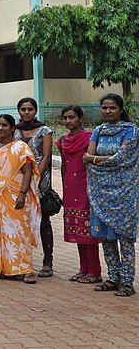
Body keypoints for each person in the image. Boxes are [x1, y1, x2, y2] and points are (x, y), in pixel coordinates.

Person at [83, 94, 139, 297]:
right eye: (104, 108)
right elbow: (86, 158)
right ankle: (113, 278)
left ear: (120, 109)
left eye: (112, 108)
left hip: (125, 193)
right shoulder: (99, 130)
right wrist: (98, 159)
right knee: (106, 239)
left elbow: (122, 159)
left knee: (125, 239)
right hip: (100, 192)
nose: (108, 111)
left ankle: (127, 282)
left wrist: (95, 159)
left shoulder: (131, 131)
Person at [0, 114, 40, 284]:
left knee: (18, 230)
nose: (1, 128)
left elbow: (28, 172)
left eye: (5, 125)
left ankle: (23, 269)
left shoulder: (20, 147)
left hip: (14, 195)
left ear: (13, 128)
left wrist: (22, 193)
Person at [57, 105, 100, 284]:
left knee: (88, 230)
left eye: (72, 117)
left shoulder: (89, 138)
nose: (68, 121)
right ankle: (83, 268)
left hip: (86, 187)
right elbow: (64, 166)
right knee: (77, 229)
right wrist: (64, 185)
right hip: (71, 187)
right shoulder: (62, 141)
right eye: (65, 118)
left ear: (80, 118)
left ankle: (94, 271)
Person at [14, 97, 54, 278]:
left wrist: (36, 177)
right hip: (19, 180)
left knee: (43, 219)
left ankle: (48, 262)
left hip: (40, 181)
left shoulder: (44, 130)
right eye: (23, 109)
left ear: (35, 110)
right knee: (20, 220)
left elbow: (46, 155)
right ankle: (22, 259)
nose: (27, 112)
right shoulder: (13, 130)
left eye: (30, 109)